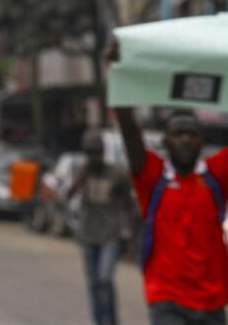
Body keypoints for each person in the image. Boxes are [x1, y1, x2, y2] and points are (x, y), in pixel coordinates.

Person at [108, 39, 228, 325]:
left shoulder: (216, 176)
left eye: (191, 133)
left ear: (201, 141)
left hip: (211, 302)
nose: (185, 138)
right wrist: (116, 72)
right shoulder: (152, 177)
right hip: (166, 300)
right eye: (178, 133)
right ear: (166, 142)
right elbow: (129, 129)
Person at [67, 129, 134, 325]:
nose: (93, 157)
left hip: (109, 235)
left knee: (104, 280)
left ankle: (111, 320)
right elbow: (69, 195)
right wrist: (82, 176)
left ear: (103, 152)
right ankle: (99, 321)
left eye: (96, 152)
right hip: (88, 235)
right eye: (89, 153)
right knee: (94, 284)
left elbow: (128, 205)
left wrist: (131, 236)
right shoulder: (81, 171)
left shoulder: (117, 173)